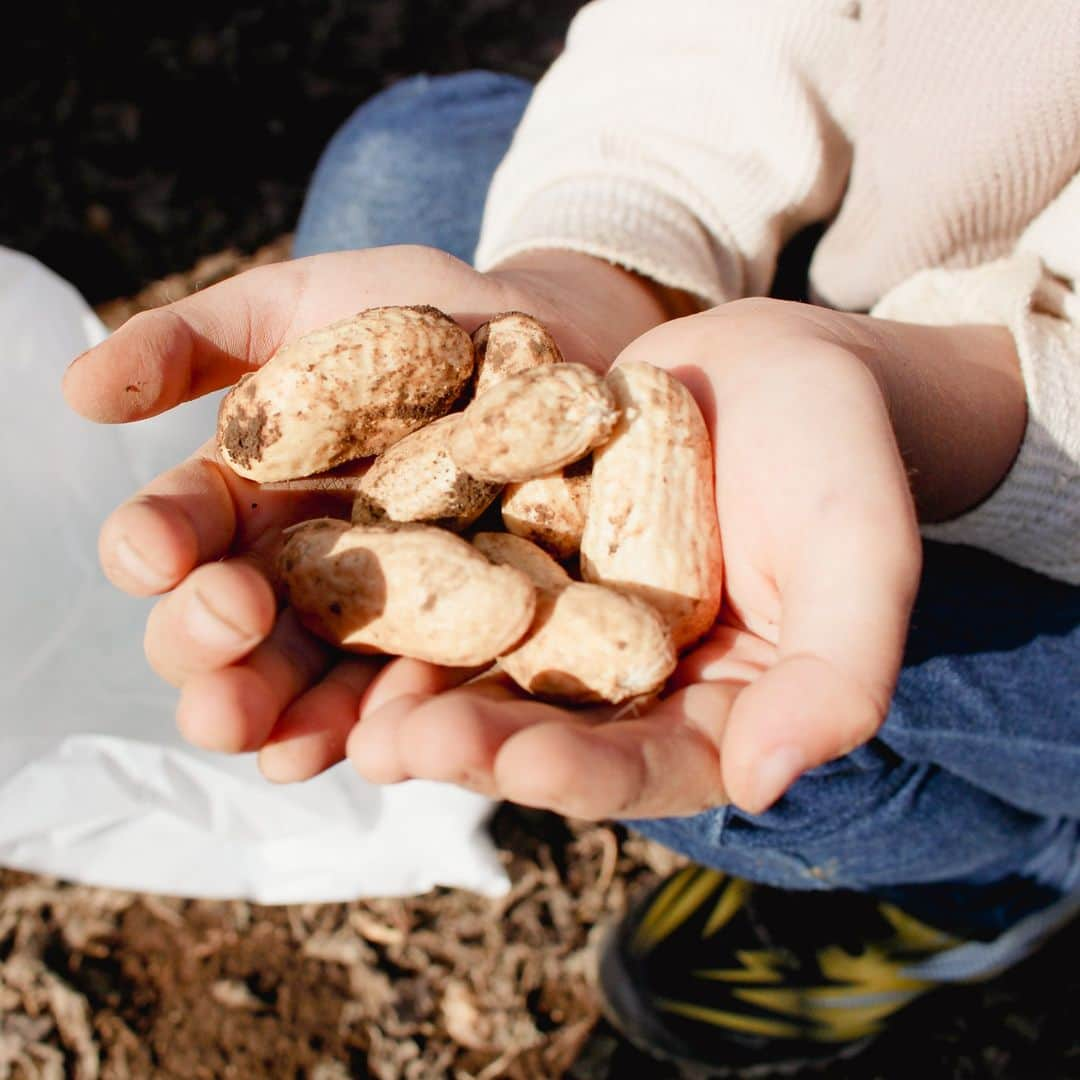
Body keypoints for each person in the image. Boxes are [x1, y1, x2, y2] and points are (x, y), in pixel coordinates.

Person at [62, 2, 1079, 1073]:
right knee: (404, 163)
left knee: (777, 651)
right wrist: (597, 276)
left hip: (1026, 440)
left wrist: (930, 401)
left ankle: (998, 872)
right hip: (878, 269)